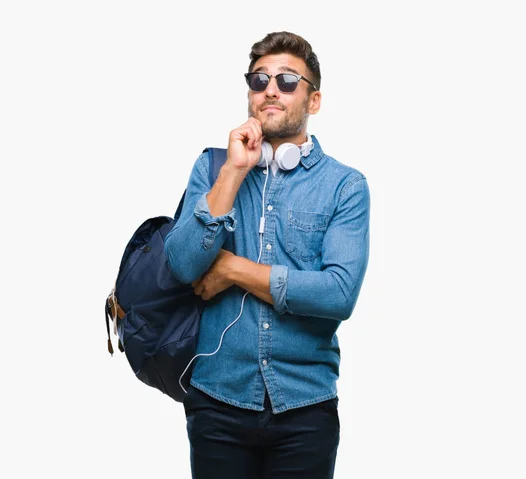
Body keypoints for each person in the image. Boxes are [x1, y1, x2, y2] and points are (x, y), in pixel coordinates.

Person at [164, 31, 370, 479]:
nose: (271, 89)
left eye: (287, 80)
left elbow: (337, 294)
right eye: (259, 80)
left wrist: (233, 269)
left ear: (313, 101)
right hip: (217, 401)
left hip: (305, 406)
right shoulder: (214, 168)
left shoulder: (345, 186)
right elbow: (182, 265)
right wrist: (235, 171)